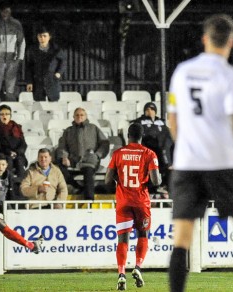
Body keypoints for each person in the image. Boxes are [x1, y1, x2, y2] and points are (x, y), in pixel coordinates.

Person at [167, 14, 233, 292]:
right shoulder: (232, 77)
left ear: (205, 39)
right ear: (232, 42)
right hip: (223, 162)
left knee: (182, 238)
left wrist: (187, 147)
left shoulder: (182, 72)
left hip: (188, 163)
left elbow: (172, 120)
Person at [104, 123, 161, 290]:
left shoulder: (118, 154)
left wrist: (118, 181)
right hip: (141, 202)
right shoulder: (149, 154)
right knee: (143, 234)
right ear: (141, 136)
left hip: (123, 202)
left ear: (128, 135)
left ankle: (121, 274)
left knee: (123, 239)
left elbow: (107, 180)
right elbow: (156, 181)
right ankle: (137, 267)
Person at [56, 107, 110, 200]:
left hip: (89, 160)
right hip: (73, 159)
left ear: (86, 116)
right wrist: (64, 157)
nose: (79, 117)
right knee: (58, 169)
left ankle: (89, 201)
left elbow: (105, 143)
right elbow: (62, 146)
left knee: (88, 173)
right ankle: (77, 187)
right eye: (77, 115)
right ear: (73, 117)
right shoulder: (68, 131)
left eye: (82, 115)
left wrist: (97, 155)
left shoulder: (94, 128)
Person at [0, 3, 25, 105]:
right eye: (3, 10)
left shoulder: (16, 23)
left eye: (7, 10)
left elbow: (21, 42)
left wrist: (19, 59)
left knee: (10, 90)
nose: (5, 13)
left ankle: (10, 114)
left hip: (12, 59)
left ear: (11, 10)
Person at [132, 101, 174, 191]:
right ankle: (152, 187)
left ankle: (165, 187)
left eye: (152, 109)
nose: (150, 111)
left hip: (162, 150)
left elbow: (169, 136)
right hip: (147, 150)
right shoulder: (140, 122)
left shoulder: (161, 122)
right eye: (147, 109)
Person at [26, 26, 66, 102]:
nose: (42, 38)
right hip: (38, 81)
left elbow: (63, 62)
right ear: (37, 37)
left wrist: (59, 73)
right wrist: (29, 82)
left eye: (45, 36)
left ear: (49, 37)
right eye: (40, 36)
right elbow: (29, 67)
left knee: (54, 103)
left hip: (52, 80)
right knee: (39, 104)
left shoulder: (56, 49)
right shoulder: (32, 50)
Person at [0, 104, 27, 177]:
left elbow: (23, 144)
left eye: (7, 114)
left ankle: (21, 184)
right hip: (4, 154)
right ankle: (9, 184)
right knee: (8, 161)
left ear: (10, 115)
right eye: (2, 114)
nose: (4, 116)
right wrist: (9, 152)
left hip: (18, 154)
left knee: (19, 161)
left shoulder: (17, 127)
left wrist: (17, 152)